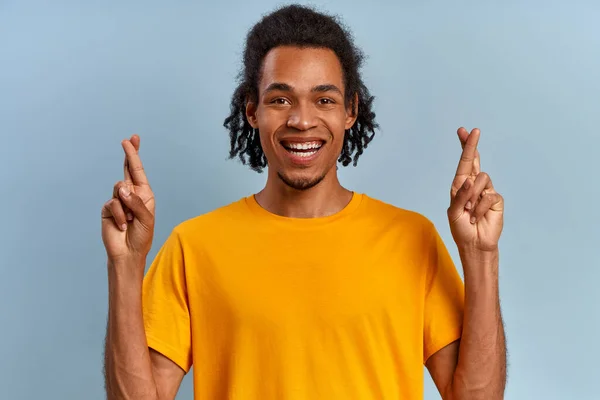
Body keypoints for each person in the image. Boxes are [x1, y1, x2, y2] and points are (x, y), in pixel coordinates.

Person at [102, 5, 506, 400]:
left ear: (350, 111)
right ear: (252, 110)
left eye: (324, 100)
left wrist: (480, 254)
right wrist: (124, 265)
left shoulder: (412, 238)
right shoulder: (193, 247)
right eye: (280, 99)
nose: (301, 120)